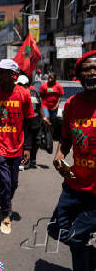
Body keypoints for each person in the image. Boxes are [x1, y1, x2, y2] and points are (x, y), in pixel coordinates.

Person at [49, 50, 96, 271]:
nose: (92, 73)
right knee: (55, 229)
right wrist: (60, 156)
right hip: (74, 185)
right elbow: (66, 139)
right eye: (87, 69)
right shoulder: (72, 104)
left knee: (77, 240)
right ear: (79, 75)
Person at [0, 59, 35, 235]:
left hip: (17, 146)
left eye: (3, 72)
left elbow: (28, 123)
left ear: (13, 75)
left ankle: (6, 201)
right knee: (4, 182)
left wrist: (27, 147)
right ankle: (6, 214)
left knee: (13, 183)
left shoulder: (24, 94)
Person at [16, 75, 44, 169]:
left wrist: (44, 118)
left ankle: (28, 161)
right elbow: (40, 106)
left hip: (29, 121)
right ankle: (31, 160)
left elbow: (39, 106)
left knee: (29, 141)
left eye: (21, 84)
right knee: (34, 141)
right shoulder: (34, 92)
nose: (20, 86)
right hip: (34, 120)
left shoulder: (22, 93)